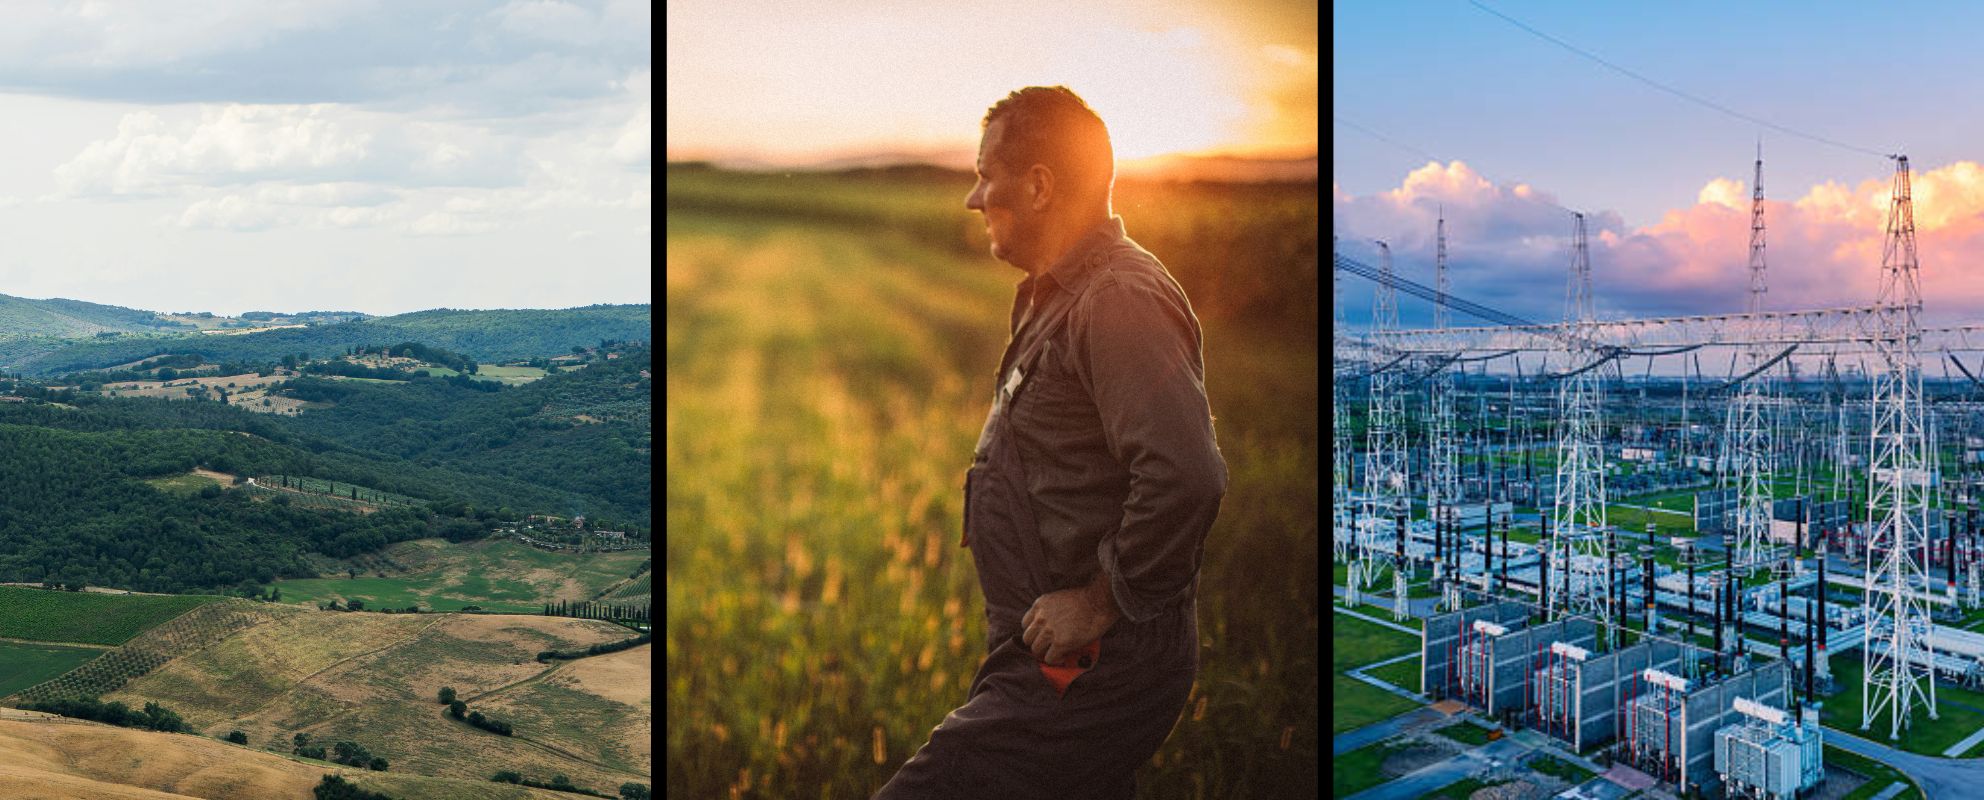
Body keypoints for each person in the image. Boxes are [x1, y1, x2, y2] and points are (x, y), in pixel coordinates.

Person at [874, 86, 1228, 799]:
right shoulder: (1053, 292)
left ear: (1038, 184)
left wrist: (1097, 602)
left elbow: (1187, 475)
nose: (975, 198)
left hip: (1093, 661)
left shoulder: (1118, 299)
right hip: (1048, 651)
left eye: (986, 174)